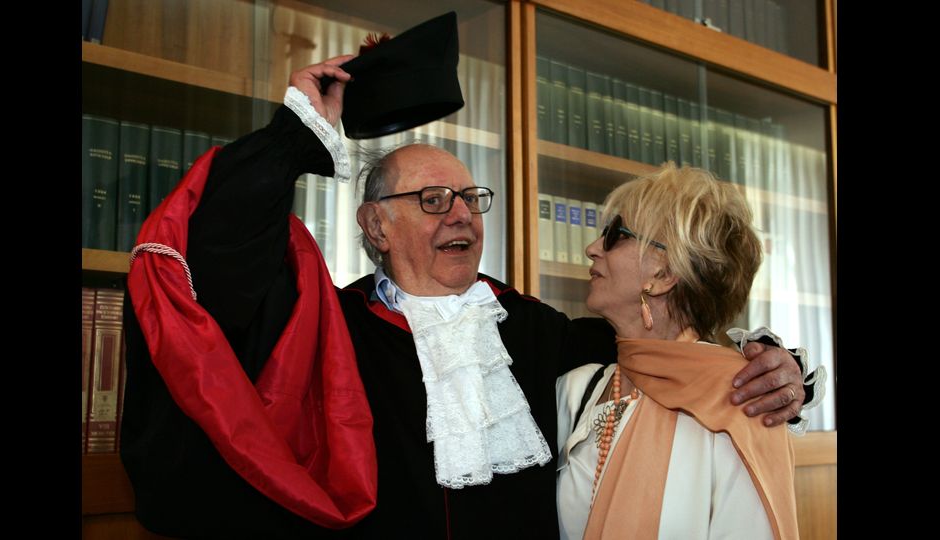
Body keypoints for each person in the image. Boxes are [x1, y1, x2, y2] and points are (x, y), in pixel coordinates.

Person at [121, 55, 817, 540]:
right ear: (376, 226)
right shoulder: (333, 331)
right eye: (431, 199)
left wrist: (777, 364)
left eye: (469, 198)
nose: (461, 214)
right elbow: (215, 268)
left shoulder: (537, 331)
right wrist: (294, 137)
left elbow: (670, 348)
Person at [556, 164, 808, 539]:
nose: (592, 249)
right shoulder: (576, 390)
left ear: (663, 274)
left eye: (615, 235)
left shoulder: (747, 400)